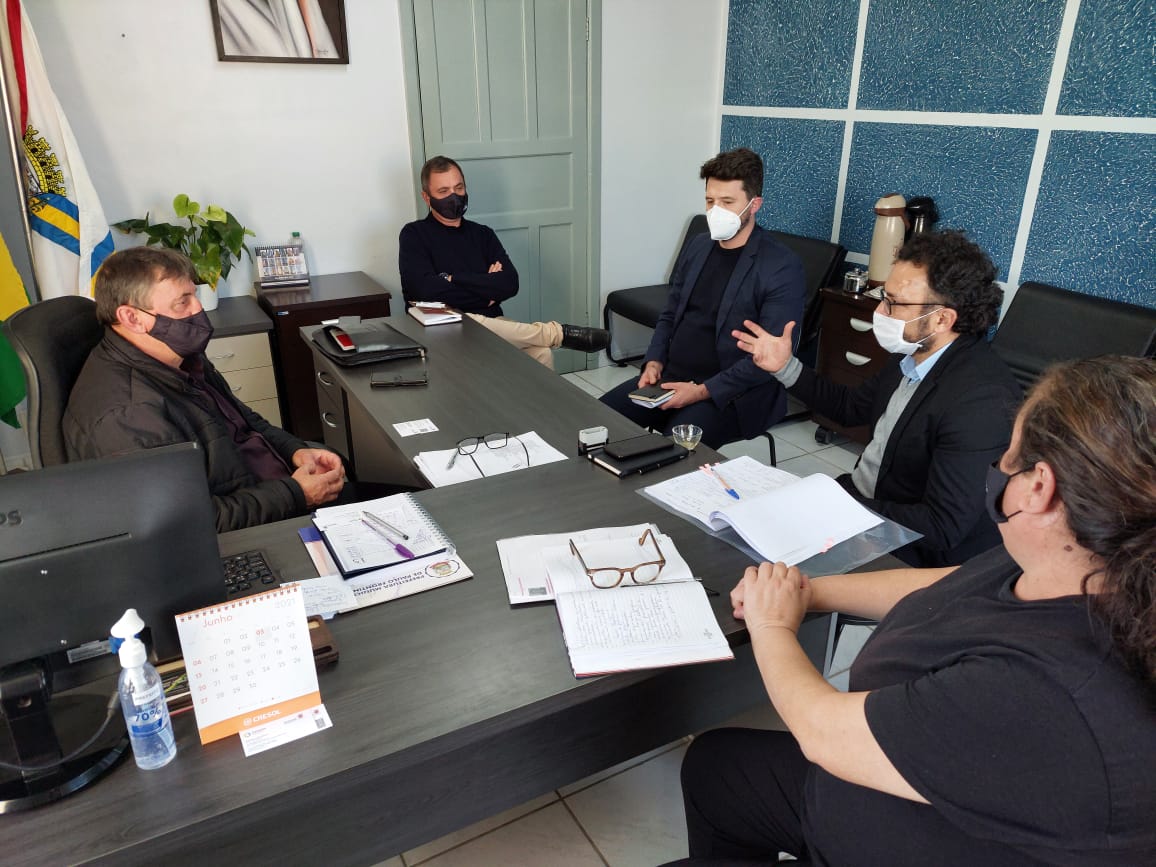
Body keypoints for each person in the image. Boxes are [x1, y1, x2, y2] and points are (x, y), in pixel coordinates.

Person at [670, 355, 1156, 866]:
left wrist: (772, 624)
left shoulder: (1052, 693)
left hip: (897, 838)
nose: (996, 468)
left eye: (1006, 457)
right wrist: (811, 592)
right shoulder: (1076, 559)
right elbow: (950, 584)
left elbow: (822, 732)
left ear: (1039, 487)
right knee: (715, 765)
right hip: (868, 798)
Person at [734, 230, 1021, 567]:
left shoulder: (981, 401)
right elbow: (850, 407)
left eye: (894, 303)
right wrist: (785, 367)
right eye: (884, 296)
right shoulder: (912, 354)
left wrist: (840, 505)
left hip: (910, 549)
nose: (880, 311)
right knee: (746, 531)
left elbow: (942, 527)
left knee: (765, 566)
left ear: (942, 318)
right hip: (863, 504)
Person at [63, 247, 346, 532]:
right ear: (132, 318)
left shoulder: (179, 357)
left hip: (274, 490)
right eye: (182, 302)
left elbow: (245, 421)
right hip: (259, 528)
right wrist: (297, 494)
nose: (197, 309)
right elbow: (188, 522)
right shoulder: (129, 416)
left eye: (194, 294)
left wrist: (295, 451)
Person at [599, 147, 806, 449]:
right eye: (710, 201)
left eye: (727, 202)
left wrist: (699, 392)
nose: (715, 211)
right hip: (672, 377)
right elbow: (670, 313)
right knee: (593, 423)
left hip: (731, 395)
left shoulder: (781, 266)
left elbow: (767, 360)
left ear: (754, 204)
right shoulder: (699, 245)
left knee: (672, 454)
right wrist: (654, 361)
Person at [398, 155, 610, 369]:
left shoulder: (483, 235)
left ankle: (548, 354)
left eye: (459, 188)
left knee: (541, 352)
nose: (454, 196)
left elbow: (509, 283)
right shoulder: (414, 234)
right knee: (471, 320)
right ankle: (556, 333)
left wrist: (452, 279)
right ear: (427, 197)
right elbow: (423, 290)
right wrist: (485, 289)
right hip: (444, 329)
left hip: (494, 324)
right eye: (443, 191)